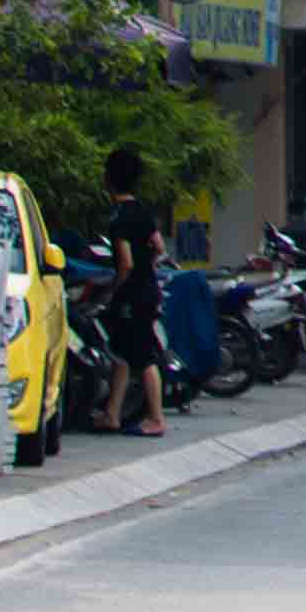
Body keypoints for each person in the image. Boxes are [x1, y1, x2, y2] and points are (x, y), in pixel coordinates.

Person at [98, 147, 170, 439]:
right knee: (122, 353)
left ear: (109, 179)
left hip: (133, 294)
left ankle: (156, 418)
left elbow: (124, 263)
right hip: (149, 288)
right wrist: (147, 266)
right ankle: (112, 414)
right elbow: (160, 248)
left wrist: (113, 290)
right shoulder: (142, 210)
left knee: (142, 356)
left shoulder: (119, 218)